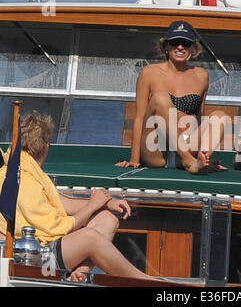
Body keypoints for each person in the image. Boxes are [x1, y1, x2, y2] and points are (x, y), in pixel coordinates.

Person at [0, 111, 157, 282]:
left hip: (47, 249)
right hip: (37, 259)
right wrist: (91, 206)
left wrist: (105, 203)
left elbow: (64, 204)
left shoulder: (30, 170)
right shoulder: (20, 176)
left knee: (107, 218)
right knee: (90, 238)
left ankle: (78, 273)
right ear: (46, 146)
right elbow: (55, 227)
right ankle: (145, 281)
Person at [115, 20, 227, 174]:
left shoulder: (202, 75)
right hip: (157, 149)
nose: (180, 47)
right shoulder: (149, 73)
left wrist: (202, 155)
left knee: (220, 116)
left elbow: (200, 116)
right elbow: (140, 117)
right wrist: (135, 160)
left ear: (193, 48)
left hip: (189, 145)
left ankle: (200, 162)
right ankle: (190, 162)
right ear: (166, 46)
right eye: (175, 43)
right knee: (160, 98)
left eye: (185, 43)